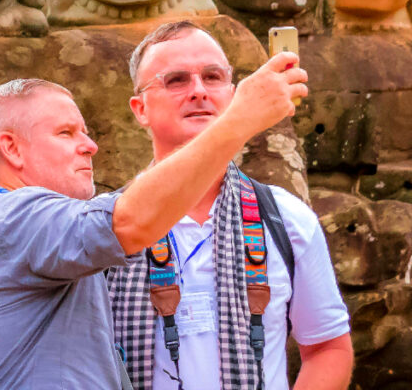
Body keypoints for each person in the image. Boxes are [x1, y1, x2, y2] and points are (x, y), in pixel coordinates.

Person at [0, 47, 308, 389]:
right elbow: (129, 223)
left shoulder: (19, 236)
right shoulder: (15, 217)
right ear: (11, 148)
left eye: (86, 132)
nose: (90, 146)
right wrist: (239, 119)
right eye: (66, 132)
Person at [109, 20, 352, 390]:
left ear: (234, 93)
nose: (198, 91)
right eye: (176, 80)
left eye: (212, 77)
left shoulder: (284, 217)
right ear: (140, 108)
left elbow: (327, 347)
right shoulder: (105, 225)